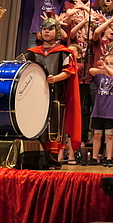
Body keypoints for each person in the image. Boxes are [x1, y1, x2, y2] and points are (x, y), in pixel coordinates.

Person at [25, 17, 82, 164]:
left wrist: (54, 78)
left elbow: (69, 72)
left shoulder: (64, 52)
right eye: (44, 29)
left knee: (54, 125)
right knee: (35, 124)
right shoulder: (31, 53)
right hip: (35, 96)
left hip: (56, 95)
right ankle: (35, 156)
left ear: (56, 32)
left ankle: (52, 159)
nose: (46, 32)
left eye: (50, 29)